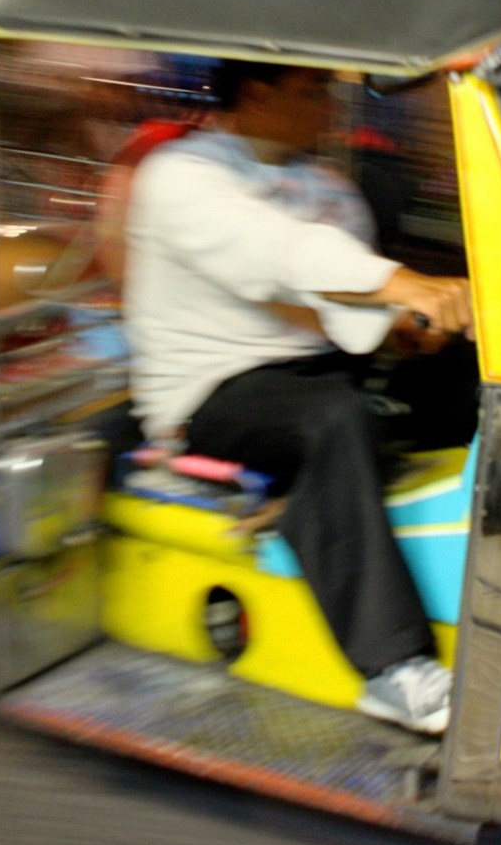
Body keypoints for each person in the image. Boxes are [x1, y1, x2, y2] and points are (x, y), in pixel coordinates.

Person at [124, 60, 473, 734]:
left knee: (469, 374)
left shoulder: (327, 185)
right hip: (214, 394)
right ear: (258, 94)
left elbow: (341, 301)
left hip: (323, 373)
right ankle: (394, 667)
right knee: (331, 418)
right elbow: (278, 253)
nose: (329, 104)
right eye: (313, 89)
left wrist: (412, 328)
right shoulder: (182, 175)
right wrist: (404, 286)